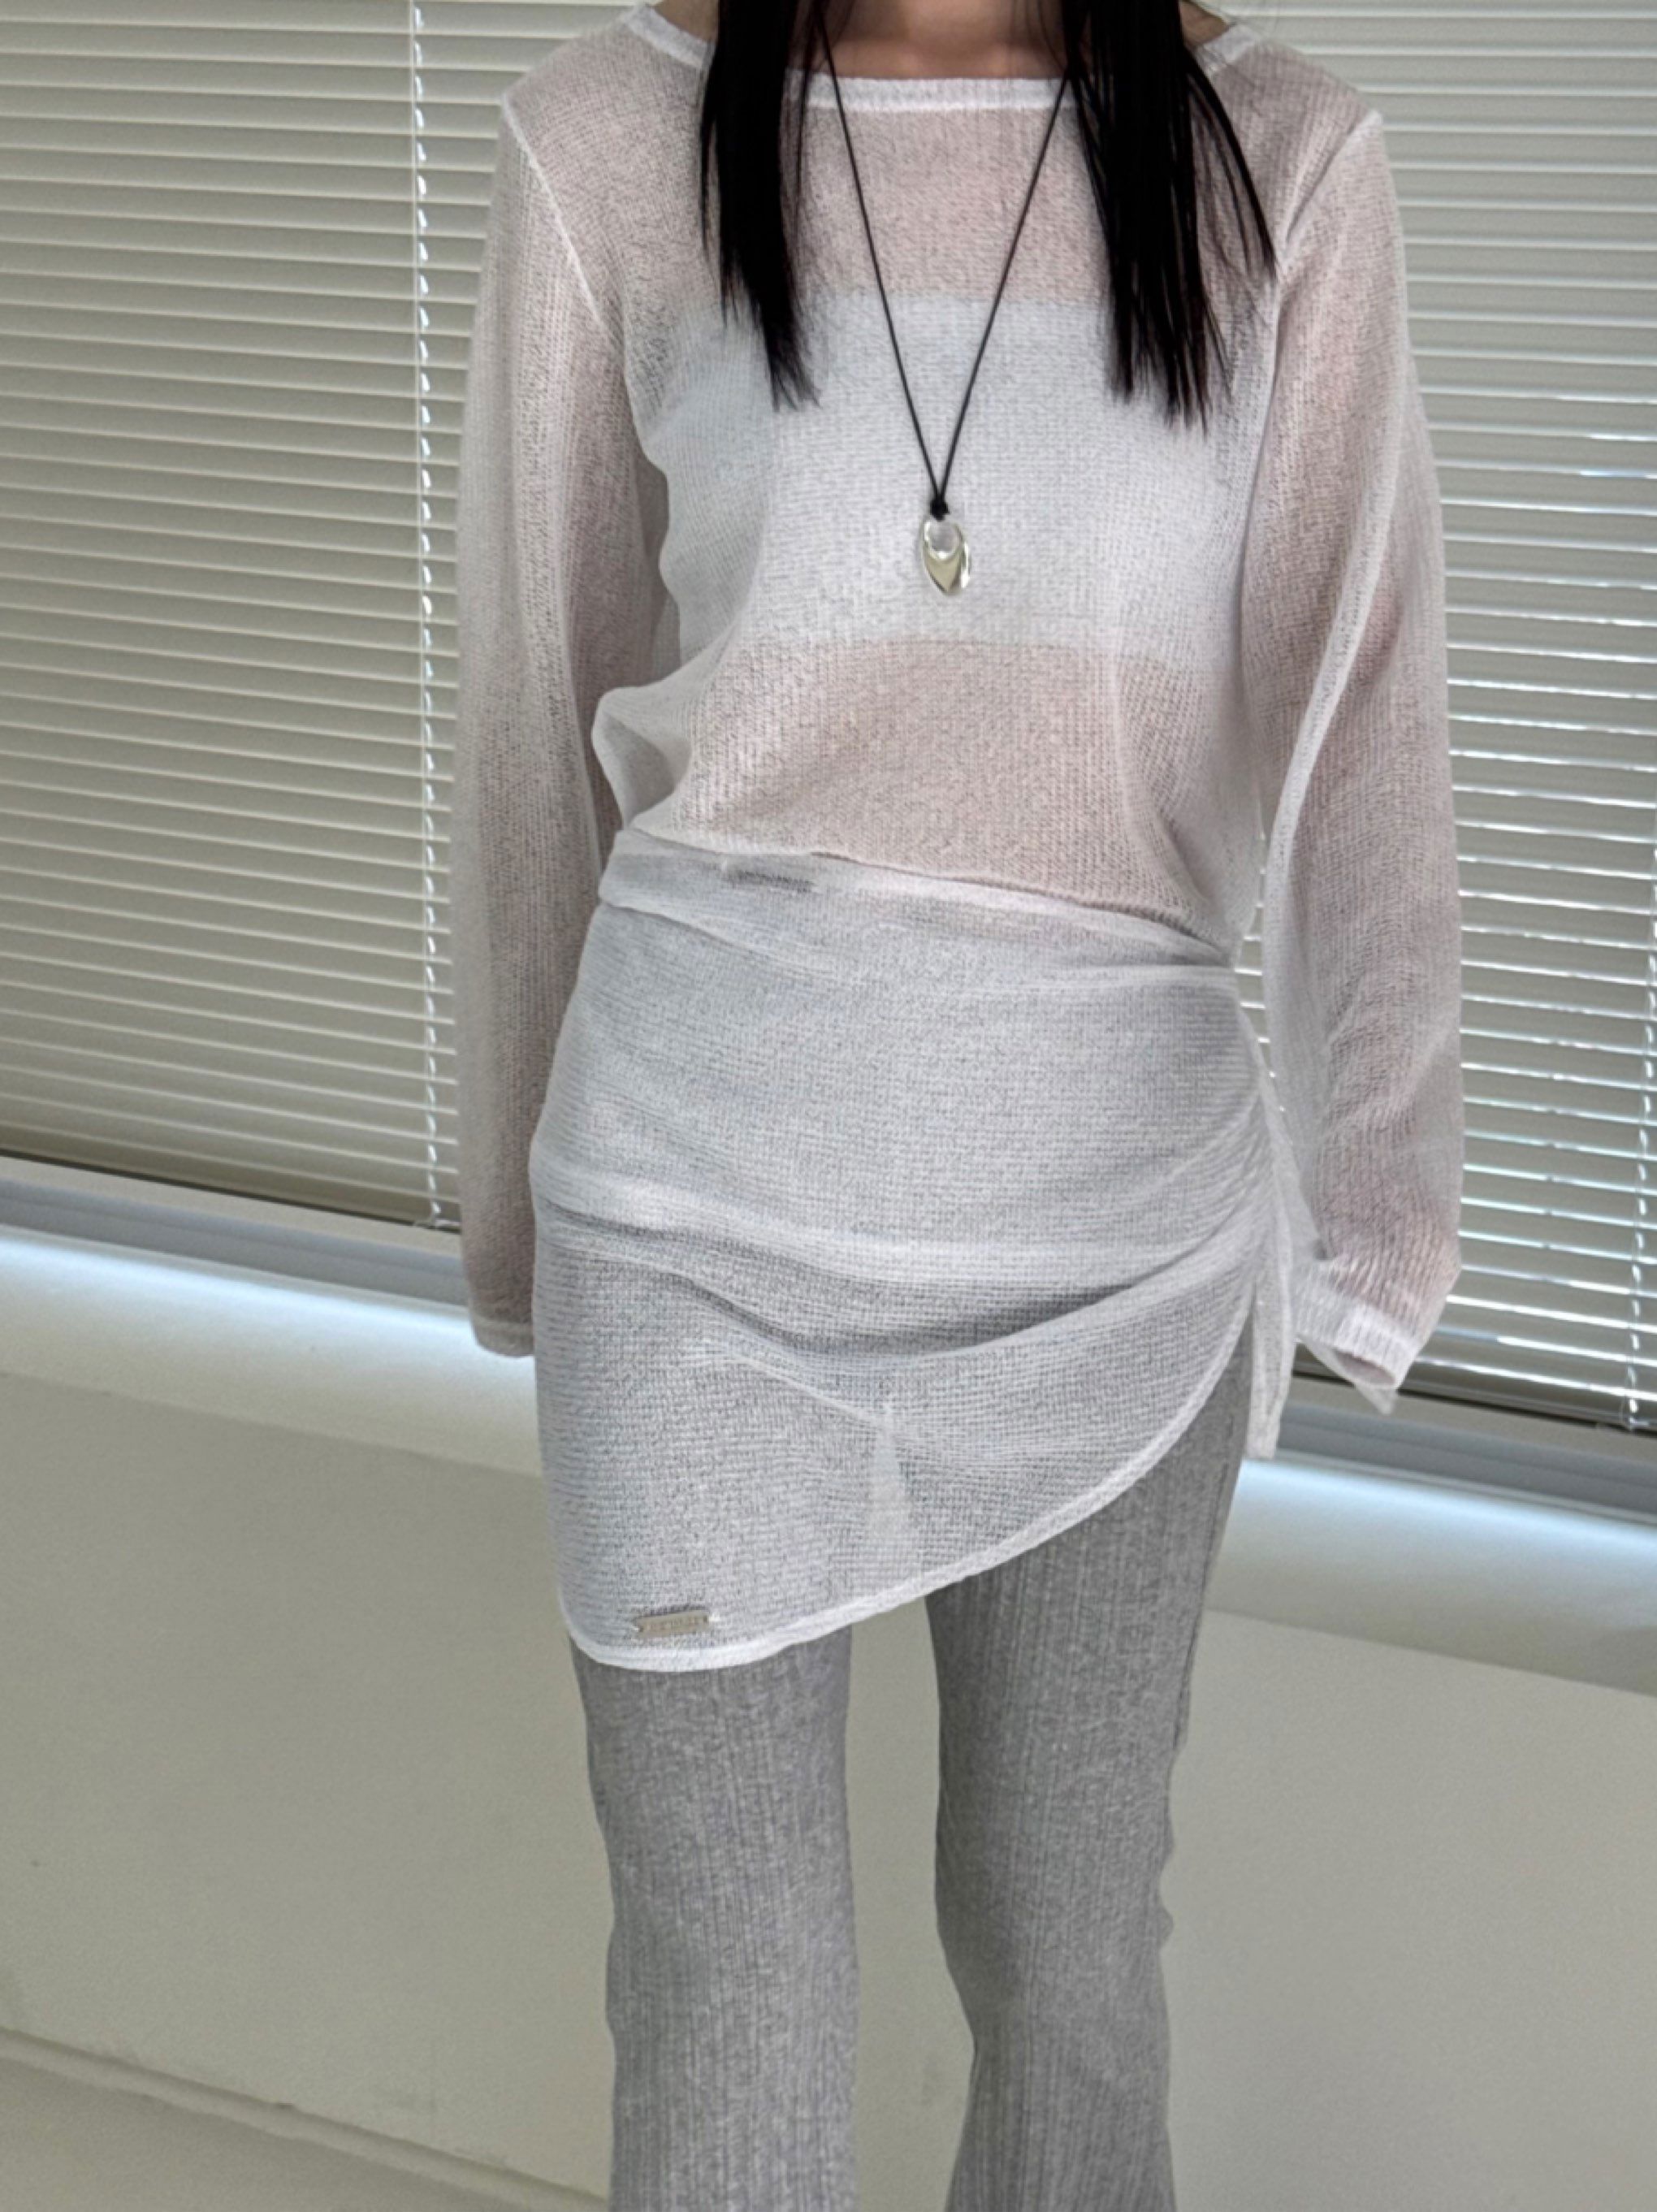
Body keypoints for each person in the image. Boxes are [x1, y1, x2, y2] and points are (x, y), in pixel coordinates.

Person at [448, 0, 1464, 2202]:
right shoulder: (607, 144)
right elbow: (537, 704)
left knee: (1062, 1948)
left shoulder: (1280, 164)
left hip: (1115, 1230)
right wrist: (508, 1214)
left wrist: (1385, 1208)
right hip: (691, 1215)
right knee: (726, 1987)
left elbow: (1367, 691)